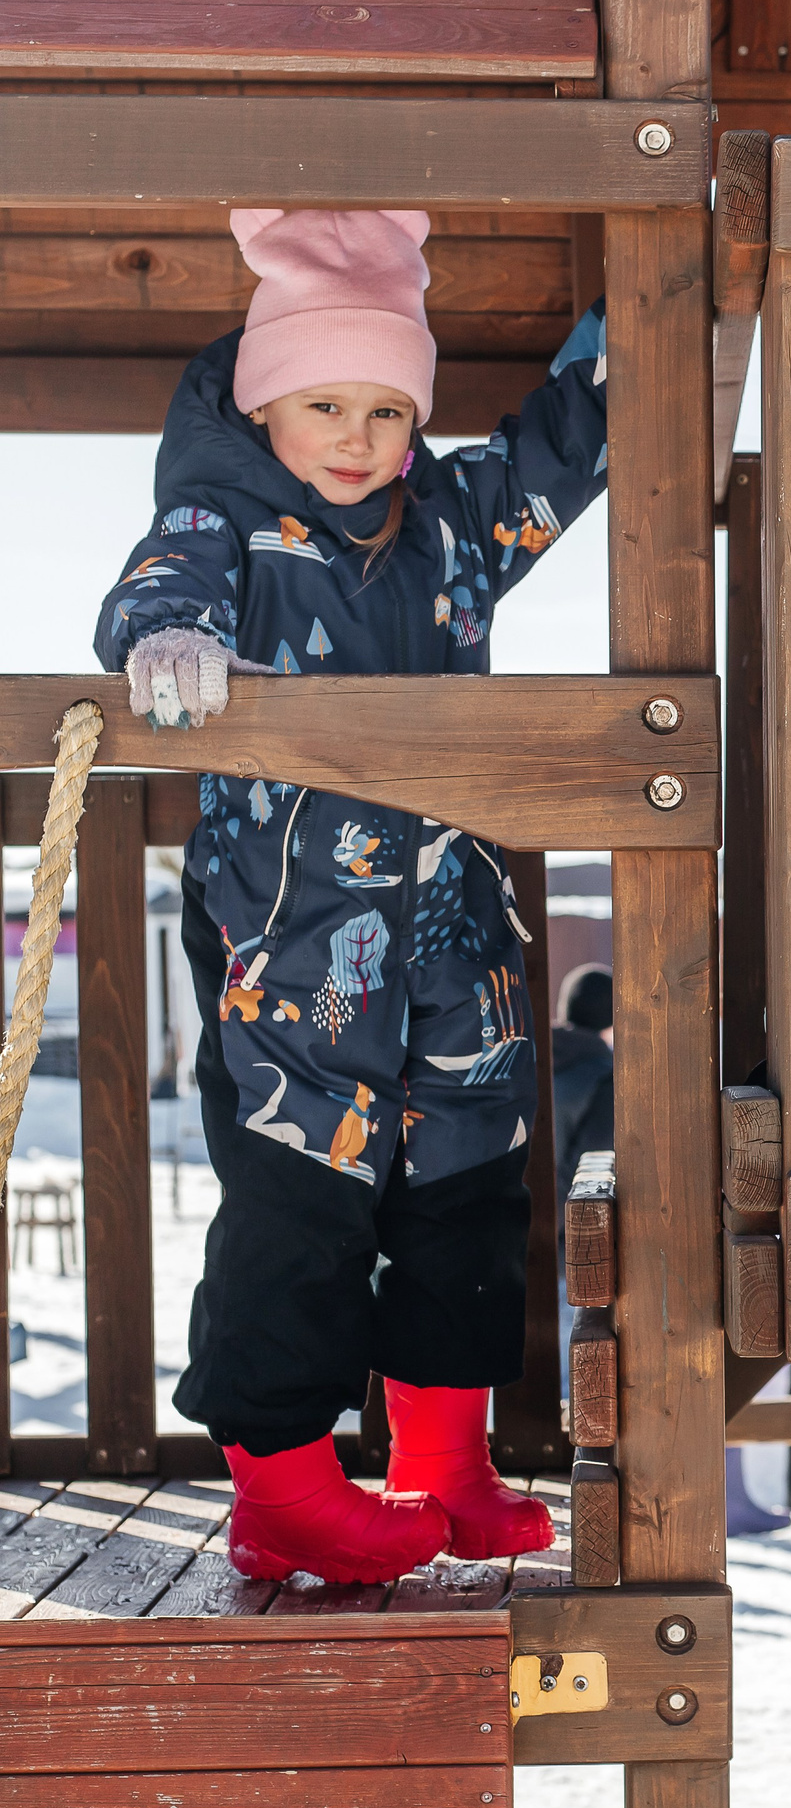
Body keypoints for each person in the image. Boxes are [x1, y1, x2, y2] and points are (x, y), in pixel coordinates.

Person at [95, 207, 608, 1583]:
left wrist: (651, 330)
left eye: (389, 407)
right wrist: (174, 637)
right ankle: (282, 1479)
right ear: (267, 401)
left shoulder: (448, 526)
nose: (359, 435)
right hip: (294, 938)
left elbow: (560, 452)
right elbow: (160, 581)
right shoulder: (231, 521)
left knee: (467, 1187)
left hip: (454, 934)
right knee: (299, 1195)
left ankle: (445, 1459)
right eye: (326, 401)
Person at [549, 962, 614, 1194]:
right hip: (567, 1221)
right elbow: (592, 1174)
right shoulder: (606, 1079)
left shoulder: (527, 1060)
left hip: (515, 1213)